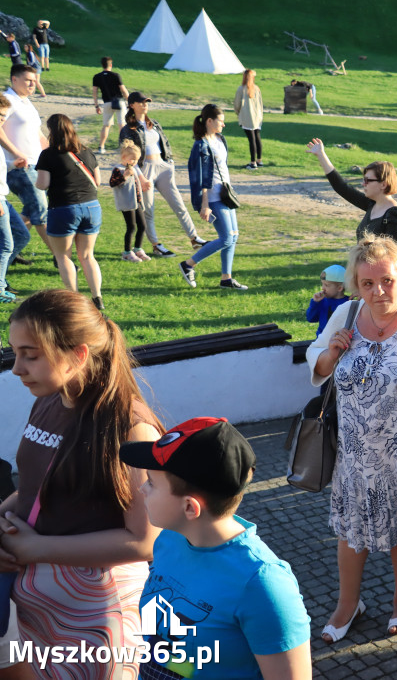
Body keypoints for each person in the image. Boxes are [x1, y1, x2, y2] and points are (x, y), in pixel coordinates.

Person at [3, 289, 163, 679]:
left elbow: (145, 541)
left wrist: (35, 547)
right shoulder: (50, 398)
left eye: (31, 354)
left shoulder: (131, 428)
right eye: (14, 352)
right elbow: (33, 487)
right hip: (39, 611)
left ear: (78, 355)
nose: (16, 368)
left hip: (96, 617)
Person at [119, 417, 312, 678]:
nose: (142, 489)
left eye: (151, 482)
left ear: (190, 507)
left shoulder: (263, 585)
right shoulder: (168, 540)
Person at [307, 236, 397, 643]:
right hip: (355, 453)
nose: (378, 291)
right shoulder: (347, 312)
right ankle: (348, 604)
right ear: (356, 286)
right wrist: (331, 354)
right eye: (367, 283)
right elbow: (318, 361)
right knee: (350, 535)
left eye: (387, 280)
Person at [120, 91, 206, 258]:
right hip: (145, 170)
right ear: (131, 105)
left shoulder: (154, 124)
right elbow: (128, 158)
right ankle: (156, 245)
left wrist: (170, 163)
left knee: (179, 204)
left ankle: (194, 238)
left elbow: (164, 142)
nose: (145, 104)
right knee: (149, 210)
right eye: (141, 102)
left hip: (163, 167)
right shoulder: (127, 129)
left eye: (147, 102)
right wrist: (141, 177)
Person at [35, 114, 104, 309]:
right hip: (92, 207)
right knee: (88, 255)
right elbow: (97, 181)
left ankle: (75, 300)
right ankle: (97, 297)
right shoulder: (87, 152)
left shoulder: (48, 155)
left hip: (63, 208)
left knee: (64, 256)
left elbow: (43, 184)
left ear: (51, 131)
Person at [181, 104, 247, 290]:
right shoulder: (201, 145)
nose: (223, 125)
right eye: (221, 121)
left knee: (233, 236)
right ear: (209, 121)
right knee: (226, 238)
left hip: (225, 195)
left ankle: (226, 279)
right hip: (212, 198)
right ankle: (188, 264)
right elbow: (199, 178)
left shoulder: (220, 139)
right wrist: (204, 204)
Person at [306, 138, 397, 242]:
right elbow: (341, 187)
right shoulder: (372, 204)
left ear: (383, 184)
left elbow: (396, 253)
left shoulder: (395, 214)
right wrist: (321, 155)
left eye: (367, 180)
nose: (363, 184)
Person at [0, 65, 49, 256]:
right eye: (28, 79)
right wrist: (16, 153)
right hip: (18, 166)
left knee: (30, 209)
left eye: (35, 80)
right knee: (41, 209)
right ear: (14, 80)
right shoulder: (7, 100)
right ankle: (61, 257)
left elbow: (39, 135)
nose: (33, 83)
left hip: (36, 165)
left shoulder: (28, 104)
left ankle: (13, 247)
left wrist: (55, 155)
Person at [0, 95, 30, 304]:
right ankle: (0, 289)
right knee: (6, 244)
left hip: (3, 195)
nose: (2, 120)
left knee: (21, 235)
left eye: (4, 117)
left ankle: (1, 280)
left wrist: (12, 165)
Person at [109, 139, 152, 263]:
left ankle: (138, 248)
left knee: (142, 225)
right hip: (126, 203)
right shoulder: (118, 169)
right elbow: (113, 183)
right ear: (124, 157)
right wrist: (125, 176)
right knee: (131, 227)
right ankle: (127, 252)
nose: (135, 162)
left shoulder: (133, 168)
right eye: (132, 159)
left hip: (136, 202)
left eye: (136, 160)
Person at [91, 57, 129, 154]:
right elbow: (123, 90)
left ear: (102, 65)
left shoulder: (97, 77)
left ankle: (101, 146)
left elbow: (94, 92)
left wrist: (96, 106)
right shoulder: (116, 75)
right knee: (122, 125)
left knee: (106, 125)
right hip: (119, 102)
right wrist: (129, 101)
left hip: (107, 103)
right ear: (111, 65)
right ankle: (123, 147)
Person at [306, 264, 348, 338]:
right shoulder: (322, 302)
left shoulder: (348, 303)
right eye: (322, 284)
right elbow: (310, 318)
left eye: (326, 285)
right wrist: (315, 303)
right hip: (321, 342)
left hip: (340, 342)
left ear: (339, 288)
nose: (322, 288)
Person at [234, 69, 264, 169]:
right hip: (257, 117)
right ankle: (259, 160)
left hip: (247, 117)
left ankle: (252, 163)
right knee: (257, 138)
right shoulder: (257, 88)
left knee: (252, 140)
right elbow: (260, 103)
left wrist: (239, 114)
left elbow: (237, 105)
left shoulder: (241, 89)